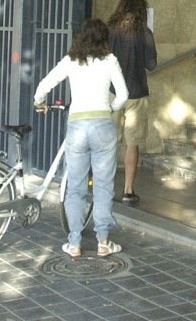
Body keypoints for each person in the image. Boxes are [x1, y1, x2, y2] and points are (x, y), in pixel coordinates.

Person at [34, 18, 128, 259]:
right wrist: (111, 107)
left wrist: (39, 103)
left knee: (75, 187)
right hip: (103, 126)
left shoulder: (71, 61)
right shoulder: (110, 61)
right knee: (103, 185)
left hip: (77, 126)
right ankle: (103, 241)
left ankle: (74, 242)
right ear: (104, 38)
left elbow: (44, 85)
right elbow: (124, 95)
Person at [108, 0, 158, 206]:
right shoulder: (145, 33)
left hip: (112, 93)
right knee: (132, 144)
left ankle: (106, 188)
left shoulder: (110, 30)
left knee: (109, 143)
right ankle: (128, 191)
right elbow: (152, 64)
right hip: (136, 93)